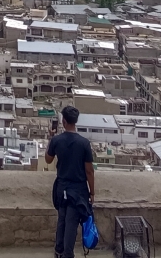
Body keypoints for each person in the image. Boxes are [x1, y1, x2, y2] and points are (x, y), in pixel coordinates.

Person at [45, 105, 95, 258]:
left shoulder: (57, 140)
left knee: (62, 220)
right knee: (71, 223)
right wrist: (92, 192)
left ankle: (59, 251)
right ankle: (68, 254)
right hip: (78, 190)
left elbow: (48, 160)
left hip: (61, 188)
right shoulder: (84, 143)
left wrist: (50, 138)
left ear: (64, 121)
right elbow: (89, 171)